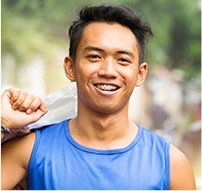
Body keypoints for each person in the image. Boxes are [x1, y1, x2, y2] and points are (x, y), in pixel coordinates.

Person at [1, 4, 196, 190]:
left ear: (140, 73)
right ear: (70, 67)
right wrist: (3, 122)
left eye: (123, 60)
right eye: (95, 56)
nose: (108, 71)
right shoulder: (31, 151)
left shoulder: (171, 164)